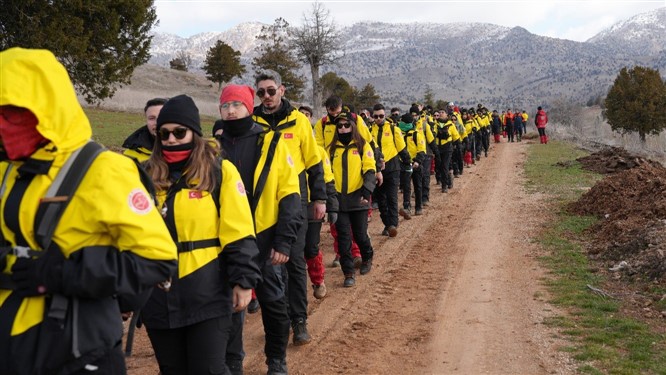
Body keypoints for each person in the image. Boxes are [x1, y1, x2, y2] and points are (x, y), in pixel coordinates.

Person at [0, 47, 178, 374]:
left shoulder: (104, 170)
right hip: (12, 343)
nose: (2, 125)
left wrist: (64, 273)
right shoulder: (8, 170)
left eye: (11, 112)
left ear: (47, 106)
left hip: (77, 348)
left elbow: (158, 260)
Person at [140, 94, 261, 375]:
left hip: (207, 291)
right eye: (164, 133)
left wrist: (243, 280)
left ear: (194, 133)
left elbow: (239, 230)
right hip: (158, 296)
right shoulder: (143, 176)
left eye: (179, 132)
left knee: (208, 369)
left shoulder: (220, 172)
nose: (170, 139)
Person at [216, 84, 302, 374]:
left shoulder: (272, 143)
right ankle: (232, 363)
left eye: (236, 105)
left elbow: (289, 196)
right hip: (228, 241)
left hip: (266, 238)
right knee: (231, 307)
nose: (230, 111)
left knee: (274, 304)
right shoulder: (212, 149)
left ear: (248, 106)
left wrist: (284, 241)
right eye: (225, 106)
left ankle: (276, 360)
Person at [252, 71, 326, 348]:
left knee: (294, 260)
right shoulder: (253, 122)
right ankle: (278, 321)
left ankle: (299, 320)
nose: (267, 97)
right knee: (270, 265)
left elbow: (314, 163)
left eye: (271, 91)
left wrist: (319, 199)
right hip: (262, 202)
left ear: (281, 90)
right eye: (261, 92)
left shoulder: (299, 121)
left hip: (295, 197)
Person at [329, 112, 376, 287]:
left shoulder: (363, 146)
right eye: (339, 126)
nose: (342, 129)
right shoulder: (332, 149)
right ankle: (348, 272)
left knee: (360, 235)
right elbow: (326, 172)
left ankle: (367, 257)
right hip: (339, 200)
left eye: (346, 125)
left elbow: (370, 169)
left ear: (353, 126)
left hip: (359, 198)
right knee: (343, 238)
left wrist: (366, 191)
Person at [369, 103, 410, 237]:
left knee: (392, 198)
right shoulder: (369, 131)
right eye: (376, 116)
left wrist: (408, 163)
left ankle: (393, 225)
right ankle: (387, 224)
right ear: (372, 116)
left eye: (381, 116)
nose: (379, 118)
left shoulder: (393, 129)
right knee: (381, 200)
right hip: (377, 169)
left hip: (392, 168)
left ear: (385, 115)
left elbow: (402, 148)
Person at [121, 97, 168, 162]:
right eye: (151, 118)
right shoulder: (131, 155)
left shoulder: (185, 151)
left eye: (162, 117)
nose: (157, 123)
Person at [398, 113, 426, 216]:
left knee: (417, 185)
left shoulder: (416, 134)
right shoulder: (399, 134)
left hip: (416, 164)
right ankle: (407, 207)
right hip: (404, 164)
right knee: (406, 186)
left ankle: (418, 206)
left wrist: (418, 161)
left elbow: (422, 149)